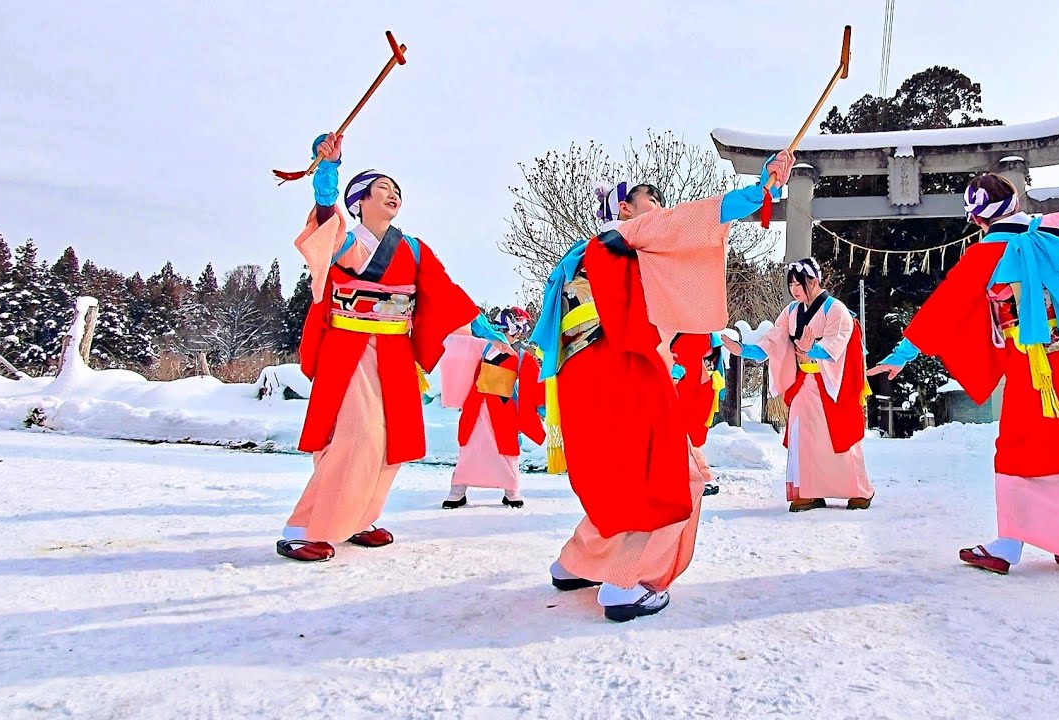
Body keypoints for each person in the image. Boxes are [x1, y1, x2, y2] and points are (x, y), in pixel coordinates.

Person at [533, 151, 795, 621]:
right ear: (624, 209)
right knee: (677, 475)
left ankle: (575, 563)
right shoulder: (628, 235)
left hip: (579, 375)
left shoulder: (579, 257)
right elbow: (703, 217)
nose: (661, 208)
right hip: (623, 366)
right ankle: (628, 583)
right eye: (651, 200)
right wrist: (763, 190)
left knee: (620, 477)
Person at [867, 172, 1059, 576]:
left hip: (1037, 366)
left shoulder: (984, 255)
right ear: (1015, 203)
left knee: (1023, 449)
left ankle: (1008, 545)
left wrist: (901, 355)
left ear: (978, 219)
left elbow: (941, 312)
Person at [277, 132, 508, 562]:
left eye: (396, 190)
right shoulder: (349, 242)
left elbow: (446, 294)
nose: (392, 194)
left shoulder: (414, 250)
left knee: (389, 442)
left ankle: (357, 518)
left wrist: (483, 328)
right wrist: (328, 173)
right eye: (382, 188)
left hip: (395, 353)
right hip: (350, 349)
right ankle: (303, 528)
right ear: (358, 201)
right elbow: (325, 226)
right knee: (356, 436)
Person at [723, 258, 874, 511]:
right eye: (791, 284)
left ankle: (858, 490)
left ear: (814, 281)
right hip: (804, 382)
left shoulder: (835, 309)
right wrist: (744, 350)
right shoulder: (791, 311)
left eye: (799, 283)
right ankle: (808, 492)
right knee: (802, 436)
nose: (794, 289)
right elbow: (773, 341)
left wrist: (811, 349)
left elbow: (836, 345)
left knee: (839, 435)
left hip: (833, 383)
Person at [439, 307, 545, 509]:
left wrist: (541, 408)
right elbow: (472, 317)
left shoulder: (520, 356)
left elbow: (535, 384)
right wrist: (489, 334)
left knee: (506, 450)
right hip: (477, 405)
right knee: (470, 447)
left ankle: (511, 491)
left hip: (503, 407)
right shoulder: (482, 346)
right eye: (517, 329)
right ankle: (458, 490)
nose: (518, 335)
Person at [670, 332, 728, 497]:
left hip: (690, 389)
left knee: (684, 434)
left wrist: (675, 372)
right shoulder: (702, 333)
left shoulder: (694, 336)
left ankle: (703, 477)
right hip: (696, 387)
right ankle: (700, 477)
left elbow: (685, 360)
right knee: (685, 435)